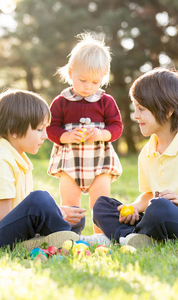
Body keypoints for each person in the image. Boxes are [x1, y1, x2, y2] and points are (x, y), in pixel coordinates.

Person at [92, 68, 178, 248]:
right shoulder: (148, 151)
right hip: (158, 220)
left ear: (167, 111)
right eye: (135, 108)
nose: (135, 116)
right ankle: (131, 238)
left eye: (141, 109)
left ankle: (121, 236)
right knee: (102, 205)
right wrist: (135, 207)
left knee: (160, 207)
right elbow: (149, 194)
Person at [0, 89, 78, 252]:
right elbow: (4, 218)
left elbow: (20, 211)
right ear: (14, 131)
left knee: (71, 217)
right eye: (39, 129)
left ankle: (57, 238)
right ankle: (67, 240)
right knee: (40, 199)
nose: (45, 135)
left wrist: (56, 212)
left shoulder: (18, 160)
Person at [47, 33, 123, 244]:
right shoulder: (61, 101)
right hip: (70, 159)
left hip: (99, 159)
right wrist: (65, 136)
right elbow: (50, 128)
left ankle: (101, 238)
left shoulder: (105, 101)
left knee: (99, 202)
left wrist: (101, 134)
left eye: (95, 81)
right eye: (82, 80)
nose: (88, 86)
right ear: (71, 73)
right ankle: (70, 237)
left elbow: (117, 126)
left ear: (104, 76)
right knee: (70, 202)